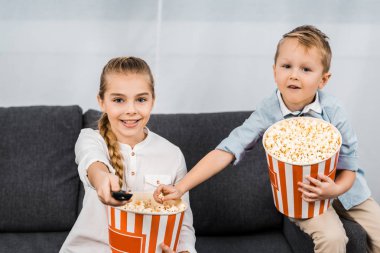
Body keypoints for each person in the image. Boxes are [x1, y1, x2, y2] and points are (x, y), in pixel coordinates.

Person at [154, 25, 380, 253]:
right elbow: (226, 150)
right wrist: (181, 187)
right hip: (304, 198)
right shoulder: (268, 112)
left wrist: (335, 189)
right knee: (333, 238)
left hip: (350, 191)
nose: (294, 74)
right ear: (274, 72)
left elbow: (349, 168)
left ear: (323, 79)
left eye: (305, 69)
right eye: (286, 66)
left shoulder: (334, 110)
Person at [60, 57, 196, 253]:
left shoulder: (172, 155)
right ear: (102, 102)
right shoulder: (90, 139)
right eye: (118, 100)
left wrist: (184, 251)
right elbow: (93, 163)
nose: (131, 110)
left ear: (152, 101)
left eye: (141, 99)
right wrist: (103, 179)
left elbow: (182, 223)